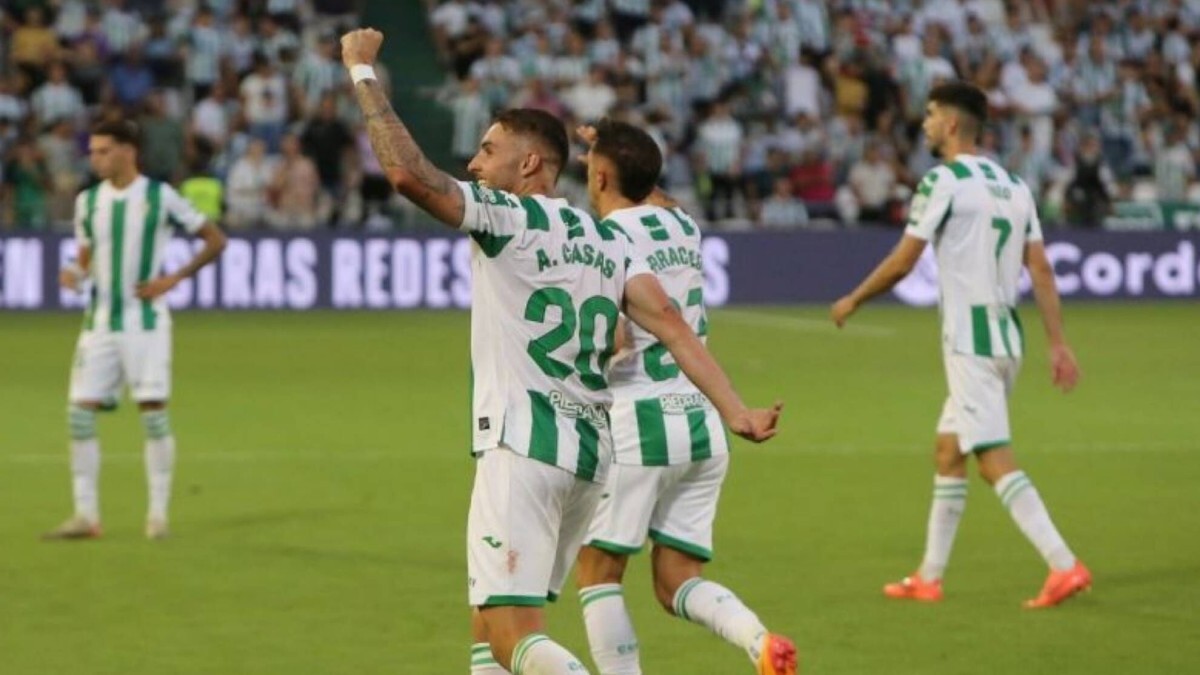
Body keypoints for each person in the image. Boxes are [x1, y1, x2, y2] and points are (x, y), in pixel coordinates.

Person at [339, 28, 782, 675]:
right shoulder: (607, 240)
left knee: (516, 637)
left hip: (522, 448)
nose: (475, 165)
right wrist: (735, 411)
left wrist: (361, 74)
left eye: (489, 151)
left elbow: (407, 173)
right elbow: (674, 326)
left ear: (529, 165)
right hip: (589, 456)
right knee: (489, 620)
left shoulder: (507, 218)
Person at [830, 82, 1091, 609]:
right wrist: (1058, 343)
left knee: (992, 458)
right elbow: (1039, 266)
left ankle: (1064, 564)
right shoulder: (1015, 185)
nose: (923, 124)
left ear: (951, 124)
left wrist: (854, 298)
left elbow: (905, 261)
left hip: (969, 342)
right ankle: (929, 576)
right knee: (949, 451)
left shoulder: (943, 180)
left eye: (929, 116)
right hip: (1007, 338)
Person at [574, 119, 798, 675]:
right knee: (676, 581)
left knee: (597, 572)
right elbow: (652, 189)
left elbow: (617, 336)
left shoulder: (603, 241)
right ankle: (759, 641)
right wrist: (617, 149)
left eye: (588, 169)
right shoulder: (682, 223)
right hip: (700, 424)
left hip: (639, 421)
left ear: (601, 176)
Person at [46, 119, 227, 541]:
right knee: (79, 413)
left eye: (102, 151)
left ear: (128, 151)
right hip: (99, 323)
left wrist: (174, 278)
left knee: (152, 413)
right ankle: (86, 517)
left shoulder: (159, 196)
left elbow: (215, 239)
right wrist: (72, 271)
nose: (94, 159)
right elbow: (86, 254)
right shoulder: (88, 202)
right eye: (92, 152)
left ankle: (157, 516)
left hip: (145, 323)